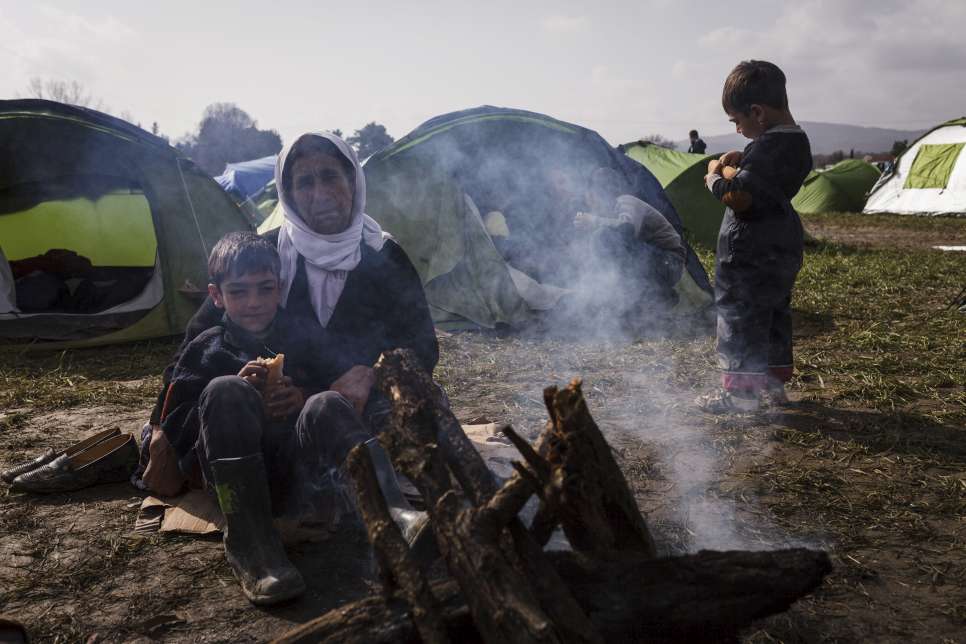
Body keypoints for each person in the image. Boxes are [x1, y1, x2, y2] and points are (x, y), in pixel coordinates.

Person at [144, 131, 438, 493]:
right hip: (274, 414)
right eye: (305, 183)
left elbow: (423, 345)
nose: (320, 194)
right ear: (289, 195)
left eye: (330, 176)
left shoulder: (385, 256)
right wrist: (159, 427)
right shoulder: (266, 258)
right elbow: (193, 347)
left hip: (352, 407)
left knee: (416, 416)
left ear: (353, 180)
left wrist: (373, 373)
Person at [156, 231, 428, 605]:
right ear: (216, 296)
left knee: (327, 401)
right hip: (239, 485)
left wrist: (302, 396)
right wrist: (234, 402)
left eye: (265, 289)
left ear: (280, 288)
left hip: (302, 479)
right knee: (225, 390)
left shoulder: (301, 338)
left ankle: (395, 515)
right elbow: (177, 420)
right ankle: (253, 548)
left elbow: (332, 379)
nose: (254, 302)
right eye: (238, 292)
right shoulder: (207, 348)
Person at [698, 60, 812, 413]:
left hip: (749, 252)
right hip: (783, 245)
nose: (737, 128)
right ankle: (774, 386)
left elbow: (742, 197)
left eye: (738, 121)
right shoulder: (798, 142)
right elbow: (764, 180)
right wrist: (740, 161)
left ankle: (740, 396)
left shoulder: (764, 148)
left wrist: (715, 177)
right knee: (774, 313)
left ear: (758, 112)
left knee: (740, 316)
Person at [571, 167, 686, 326]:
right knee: (601, 239)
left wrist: (595, 221)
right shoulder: (610, 211)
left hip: (669, 263)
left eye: (591, 193)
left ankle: (660, 295)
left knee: (604, 237)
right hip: (656, 262)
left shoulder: (626, 201)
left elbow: (626, 229)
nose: (589, 199)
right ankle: (641, 303)